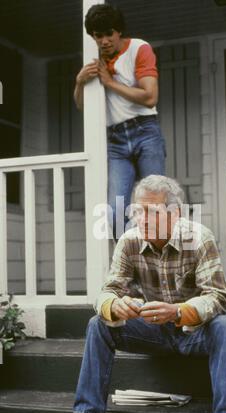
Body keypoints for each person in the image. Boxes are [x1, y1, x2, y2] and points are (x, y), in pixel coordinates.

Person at [66, 175, 226, 413]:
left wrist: (178, 312)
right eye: (137, 211)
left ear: (174, 214)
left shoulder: (199, 238)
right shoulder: (129, 241)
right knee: (98, 323)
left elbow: (219, 297)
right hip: (152, 333)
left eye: (151, 212)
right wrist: (113, 305)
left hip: (193, 333)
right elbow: (106, 291)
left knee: (225, 325)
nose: (142, 219)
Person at [74, 3, 166, 238]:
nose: (104, 41)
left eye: (109, 34)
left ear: (119, 31)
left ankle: (160, 268)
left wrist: (111, 82)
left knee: (156, 206)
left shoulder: (139, 48)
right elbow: (82, 106)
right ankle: (131, 266)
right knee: (115, 214)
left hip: (145, 132)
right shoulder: (94, 60)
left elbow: (150, 96)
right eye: (98, 36)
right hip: (115, 141)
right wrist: (79, 82)